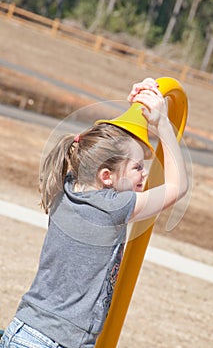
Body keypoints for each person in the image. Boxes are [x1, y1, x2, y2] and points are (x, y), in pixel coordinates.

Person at [1, 78, 188, 348]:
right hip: (55, 342)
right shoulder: (111, 208)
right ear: (106, 176)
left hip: (23, 329)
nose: (144, 173)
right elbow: (177, 186)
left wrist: (138, 108)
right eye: (137, 167)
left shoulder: (63, 190)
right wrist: (164, 125)